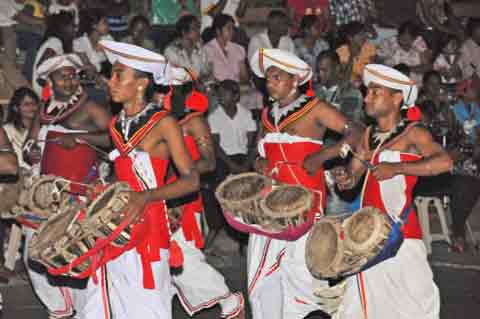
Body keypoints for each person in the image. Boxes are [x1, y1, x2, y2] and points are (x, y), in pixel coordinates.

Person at [71, 39, 200, 319]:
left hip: (149, 227)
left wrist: (146, 196)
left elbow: (192, 181)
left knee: (146, 308)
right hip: (118, 223)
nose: (111, 82)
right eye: (112, 74)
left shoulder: (163, 123)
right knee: (109, 301)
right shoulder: (117, 124)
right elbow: (124, 178)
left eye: (119, 75)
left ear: (141, 83)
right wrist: (104, 190)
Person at [247, 48, 363, 319]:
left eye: (277, 77)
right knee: (263, 281)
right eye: (268, 78)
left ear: (295, 80)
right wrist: (258, 162)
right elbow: (257, 152)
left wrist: (326, 154)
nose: (270, 83)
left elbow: (356, 132)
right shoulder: (266, 115)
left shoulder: (315, 108)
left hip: (304, 207)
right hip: (269, 207)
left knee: (303, 282)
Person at [333, 64, 453, 318]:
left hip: (402, 237)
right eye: (367, 92)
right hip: (366, 237)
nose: (366, 97)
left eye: (375, 92)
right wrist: (345, 177)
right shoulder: (368, 134)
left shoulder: (413, 132)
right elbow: (354, 177)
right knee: (361, 309)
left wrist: (398, 168)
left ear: (397, 98)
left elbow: (444, 162)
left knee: (413, 308)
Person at [22, 53, 112, 318]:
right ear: (50, 80)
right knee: (34, 253)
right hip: (46, 196)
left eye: (73, 75)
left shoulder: (90, 108)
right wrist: (31, 151)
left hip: (80, 193)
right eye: (63, 76)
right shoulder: (43, 110)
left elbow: (115, 137)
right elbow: (31, 141)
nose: (70, 81)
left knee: (78, 255)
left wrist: (82, 138)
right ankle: (60, 306)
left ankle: (88, 312)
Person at [155, 69, 245, 319]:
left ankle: (227, 301)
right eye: (162, 91)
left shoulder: (194, 122)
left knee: (184, 257)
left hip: (183, 199)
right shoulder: (157, 122)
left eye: (169, 91)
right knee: (160, 265)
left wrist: (186, 173)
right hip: (158, 197)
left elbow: (209, 162)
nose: (164, 96)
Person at [32, 11, 76, 96]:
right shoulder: (55, 42)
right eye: (72, 26)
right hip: (45, 91)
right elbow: (41, 67)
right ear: (63, 27)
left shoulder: (55, 42)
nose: (75, 29)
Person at [377, 21, 433, 86]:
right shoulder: (388, 43)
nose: (404, 42)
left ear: (414, 38)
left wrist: (407, 69)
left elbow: (427, 67)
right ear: (398, 34)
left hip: (414, 85)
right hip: (391, 83)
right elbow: (377, 62)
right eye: (402, 38)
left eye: (408, 40)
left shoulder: (419, 43)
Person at [164, 15, 212, 81]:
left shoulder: (200, 49)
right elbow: (175, 77)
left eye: (199, 28)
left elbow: (206, 73)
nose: (198, 31)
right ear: (184, 32)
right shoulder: (171, 51)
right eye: (194, 28)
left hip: (200, 86)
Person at [204, 14, 249, 83]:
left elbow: (244, 76)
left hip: (237, 88)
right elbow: (210, 76)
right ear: (218, 31)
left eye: (233, 28)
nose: (232, 32)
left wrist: (240, 85)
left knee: (257, 93)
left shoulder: (239, 48)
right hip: (218, 88)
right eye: (228, 28)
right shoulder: (208, 49)